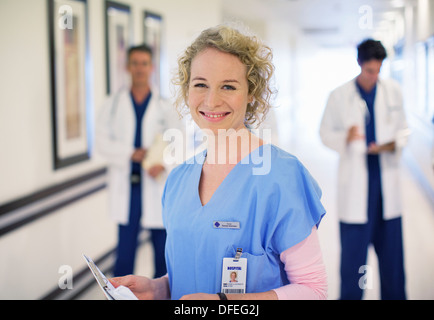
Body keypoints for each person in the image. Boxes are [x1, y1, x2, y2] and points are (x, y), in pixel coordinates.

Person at [110, 25, 327, 300]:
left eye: (228, 86)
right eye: (200, 84)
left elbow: (314, 290)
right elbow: (193, 271)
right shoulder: (177, 181)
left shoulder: (282, 176)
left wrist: (225, 304)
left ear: (251, 94)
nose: (211, 101)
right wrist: (159, 287)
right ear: (186, 90)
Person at [319, 39, 409, 300]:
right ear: (359, 64)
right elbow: (325, 133)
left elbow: (403, 129)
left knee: (393, 264)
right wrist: (344, 137)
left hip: (386, 192)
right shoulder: (339, 96)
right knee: (354, 265)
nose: (374, 76)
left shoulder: (393, 91)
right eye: (370, 70)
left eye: (378, 70)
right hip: (356, 192)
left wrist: (393, 144)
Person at [95, 44, 180, 278]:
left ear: (151, 67)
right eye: (135, 63)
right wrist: (129, 152)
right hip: (128, 185)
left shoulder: (165, 106)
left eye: (144, 63)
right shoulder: (113, 105)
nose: (140, 68)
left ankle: (163, 294)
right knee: (125, 253)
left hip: (156, 181)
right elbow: (101, 141)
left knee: (162, 250)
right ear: (127, 67)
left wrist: (164, 163)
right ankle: (121, 294)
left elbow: (178, 141)